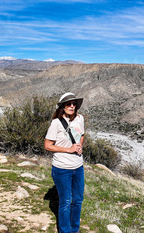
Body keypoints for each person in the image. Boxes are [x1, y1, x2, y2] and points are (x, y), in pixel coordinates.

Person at [44, 92, 85, 233]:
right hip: (62, 168)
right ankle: (65, 231)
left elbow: (82, 135)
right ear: (62, 106)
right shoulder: (56, 123)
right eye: (68, 104)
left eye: (74, 104)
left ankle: (75, 229)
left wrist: (79, 145)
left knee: (78, 200)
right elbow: (48, 145)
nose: (72, 106)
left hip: (78, 167)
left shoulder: (80, 119)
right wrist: (69, 149)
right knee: (66, 202)